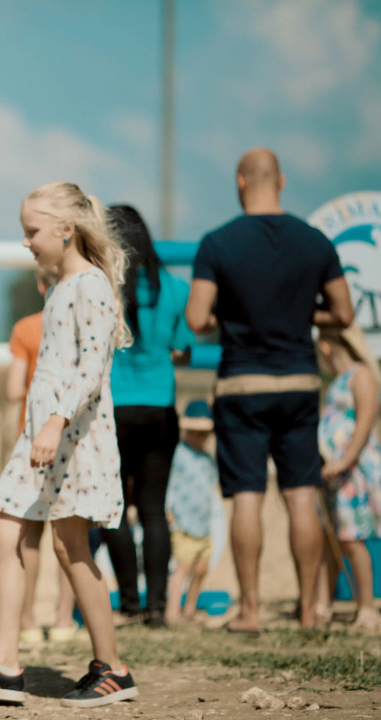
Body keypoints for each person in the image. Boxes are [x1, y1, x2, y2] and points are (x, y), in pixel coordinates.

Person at [0, 182, 137, 708]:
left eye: (32, 231)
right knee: (5, 532)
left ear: (66, 229)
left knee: (69, 548)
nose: (26, 242)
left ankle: (111, 668)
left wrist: (54, 422)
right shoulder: (59, 288)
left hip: (68, 435)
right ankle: (6, 664)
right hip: (45, 435)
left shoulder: (90, 285)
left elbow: (92, 366)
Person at [185, 148, 354, 632]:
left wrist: (232, 317)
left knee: (248, 499)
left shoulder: (218, 242)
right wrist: (306, 314)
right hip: (300, 381)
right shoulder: (314, 241)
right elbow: (343, 314)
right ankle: (309, 610)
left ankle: (252, 610)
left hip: (242, 383)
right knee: (302, 496)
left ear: (241, 181)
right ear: (280, 180)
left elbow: (197, 319)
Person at [101, 205, 194, 628]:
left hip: (114, 411)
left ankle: (128, 604)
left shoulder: (103, 286)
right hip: (160, 408)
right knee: (154, 510)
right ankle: (158, 607)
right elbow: (183, 347)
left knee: (116, 509)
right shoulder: (173, 287)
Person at [7, 267, 82, 644]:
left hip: (35, 435)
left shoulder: (25, 328)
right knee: (70, 534)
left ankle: (28, 621)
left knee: (29, 536)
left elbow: (12, 388)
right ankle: (65, 619)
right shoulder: (82, 324)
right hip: (74, 438)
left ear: (41, 284)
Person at [314, 324, 381, 631]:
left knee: (353, 539)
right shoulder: (338, 381)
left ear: (326, 346)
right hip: (335, 473)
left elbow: (366, 420)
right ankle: (321, 606)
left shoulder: (361, 375)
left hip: (353, 472)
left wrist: (345, 460)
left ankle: (367, 608)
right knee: (331, 541)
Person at [164, 400, 219, 626]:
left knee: (201, 568)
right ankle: (172, 612)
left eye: (204, 433)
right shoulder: (177, 455)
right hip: (183, 524)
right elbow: (169, 484)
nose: (199, 437)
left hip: (203, 526)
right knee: (182, 569)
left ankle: (189, 610)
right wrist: (169, 511)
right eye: (194, 432)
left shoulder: (208, 459)